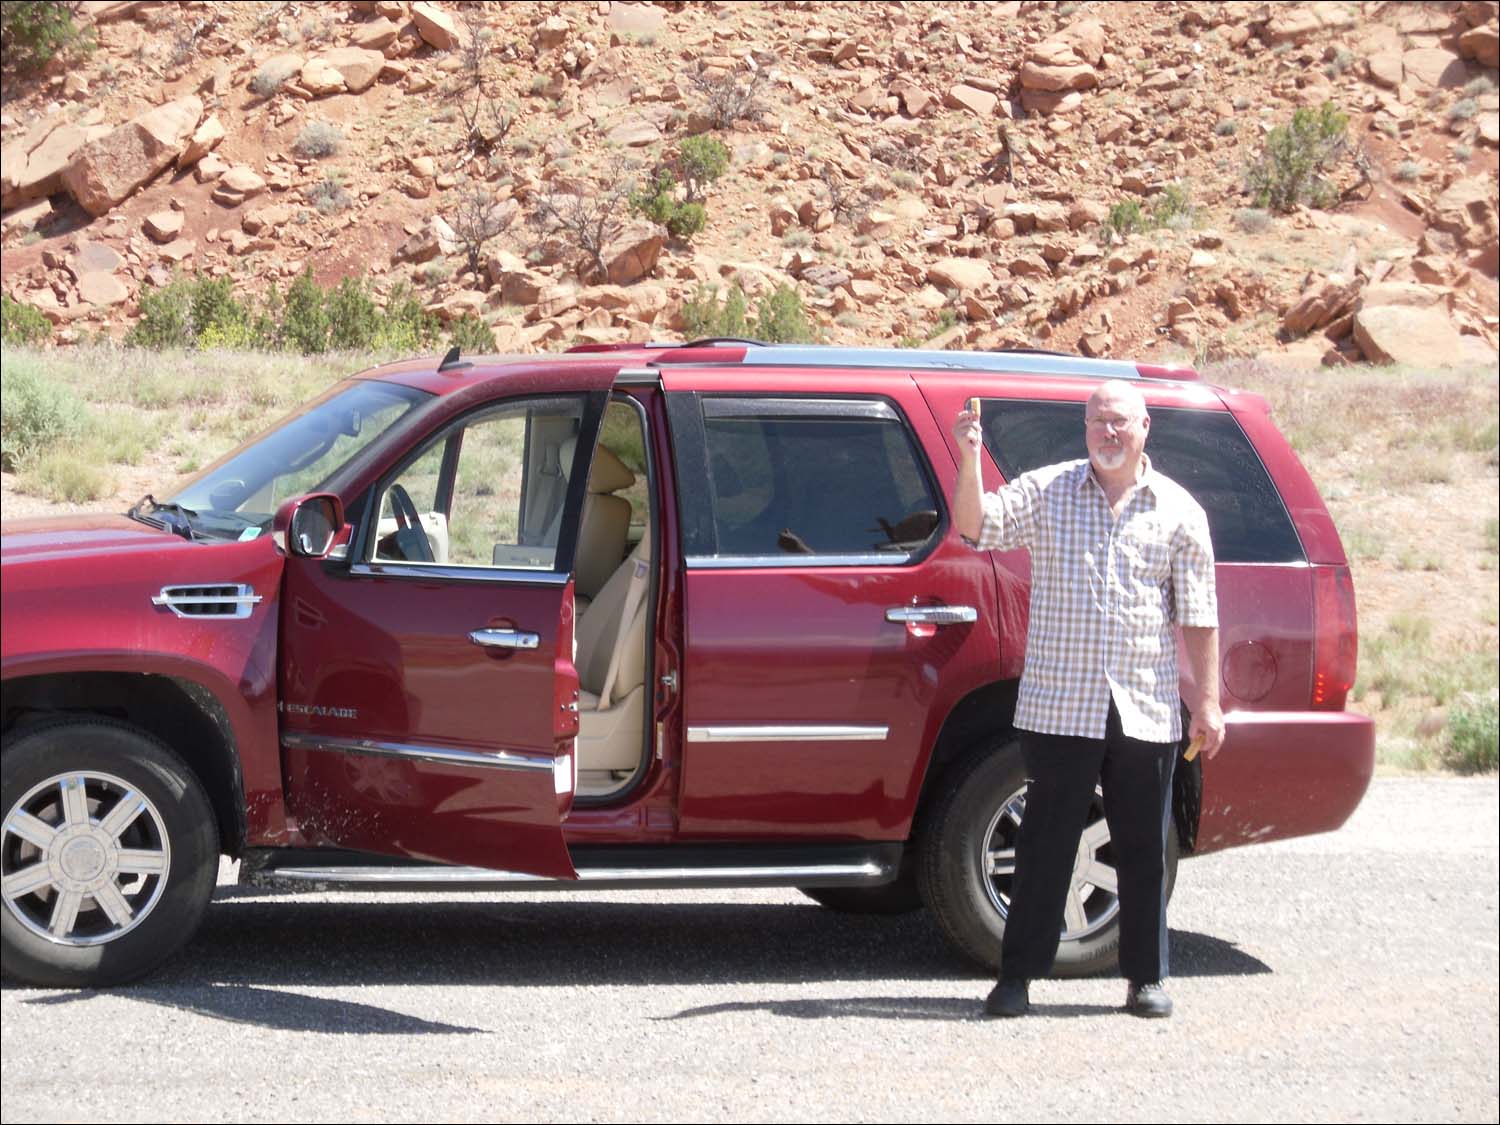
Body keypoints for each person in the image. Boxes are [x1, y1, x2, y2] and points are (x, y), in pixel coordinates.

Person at [951, 379, 1225, 1019]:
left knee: (1143, 850)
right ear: (1085, 427)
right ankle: (1016, 979)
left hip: (1146, 707)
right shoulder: (1050, 492)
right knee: (1044, 847)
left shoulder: (1179, 511)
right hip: (1059, 705)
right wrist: (970, 456)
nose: (1109, 432)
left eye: (1121, 422)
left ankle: (1147, 979)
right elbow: (977, 524)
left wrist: (1207, 703)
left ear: (1145, 428)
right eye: (1099, 421)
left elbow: (1201, 615)